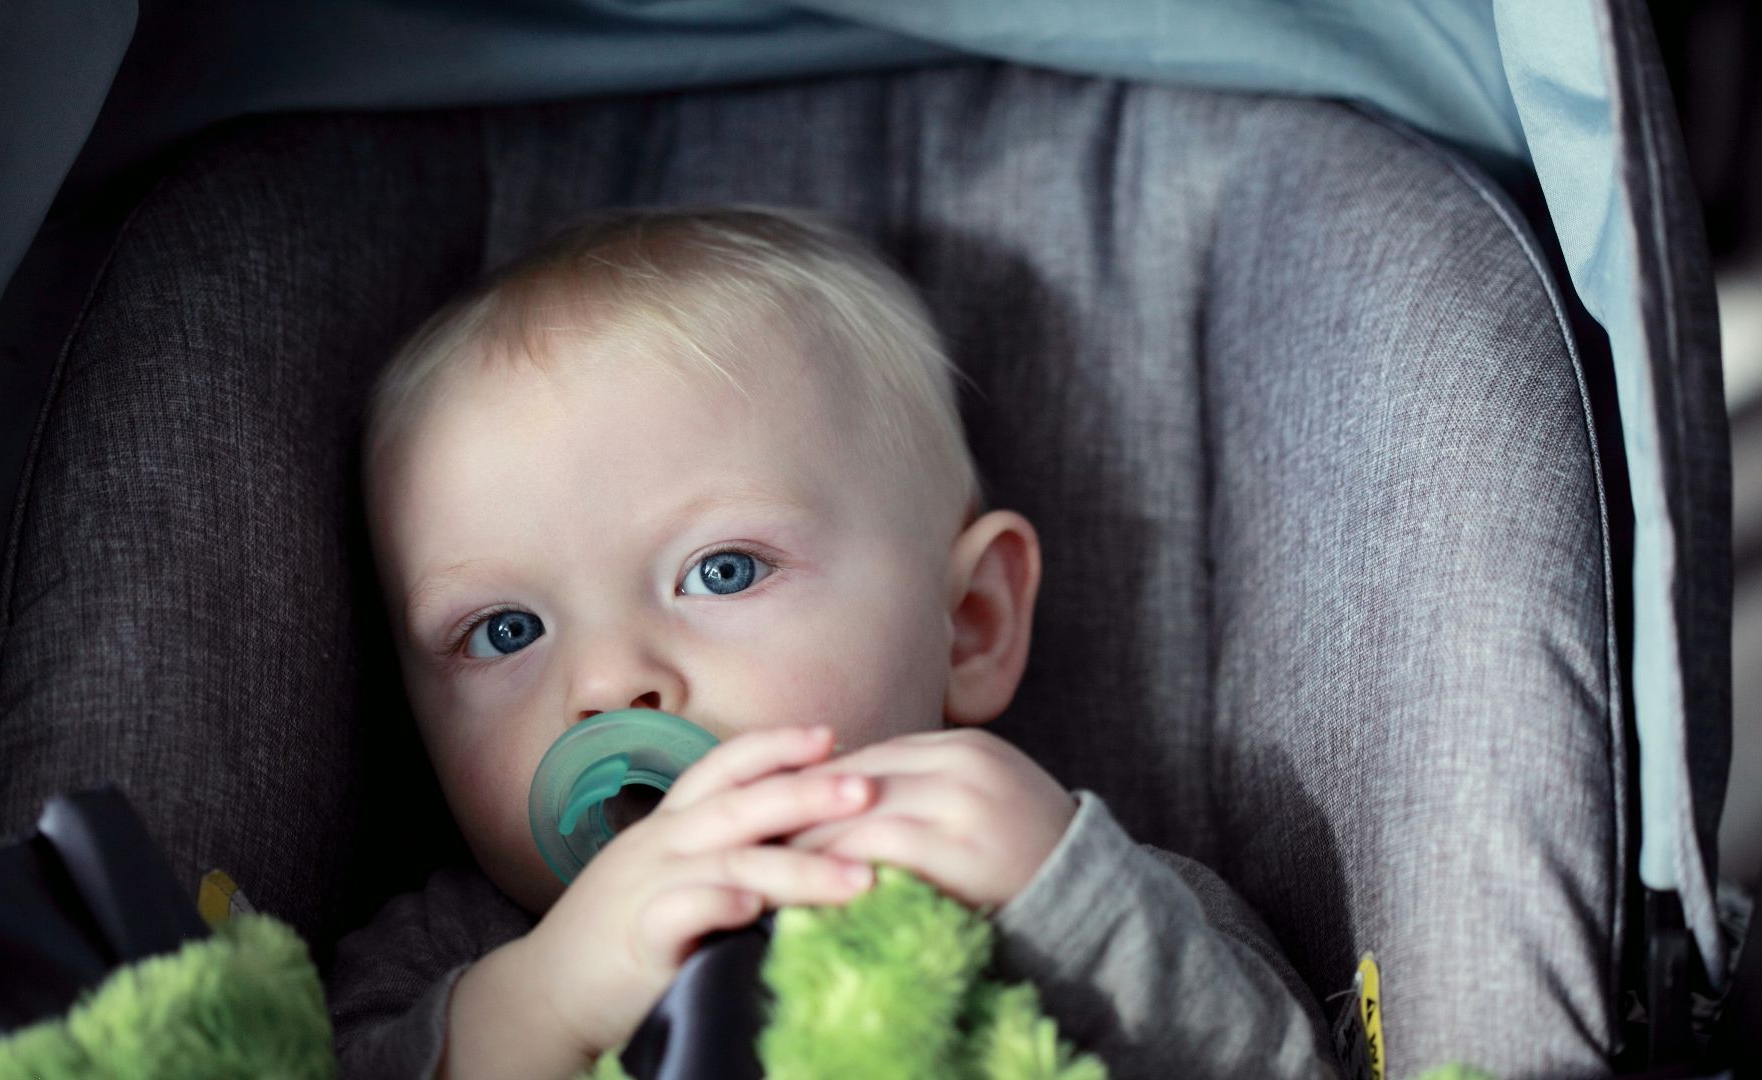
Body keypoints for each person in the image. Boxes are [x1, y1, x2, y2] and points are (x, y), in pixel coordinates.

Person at [330, 206, 1336, 1079]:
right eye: (506, 631)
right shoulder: (455, 954)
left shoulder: (1058, 883)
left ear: (972, 622)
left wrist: (1074, 910)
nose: (606, 683)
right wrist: (544, 1003)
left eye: (722, 569)